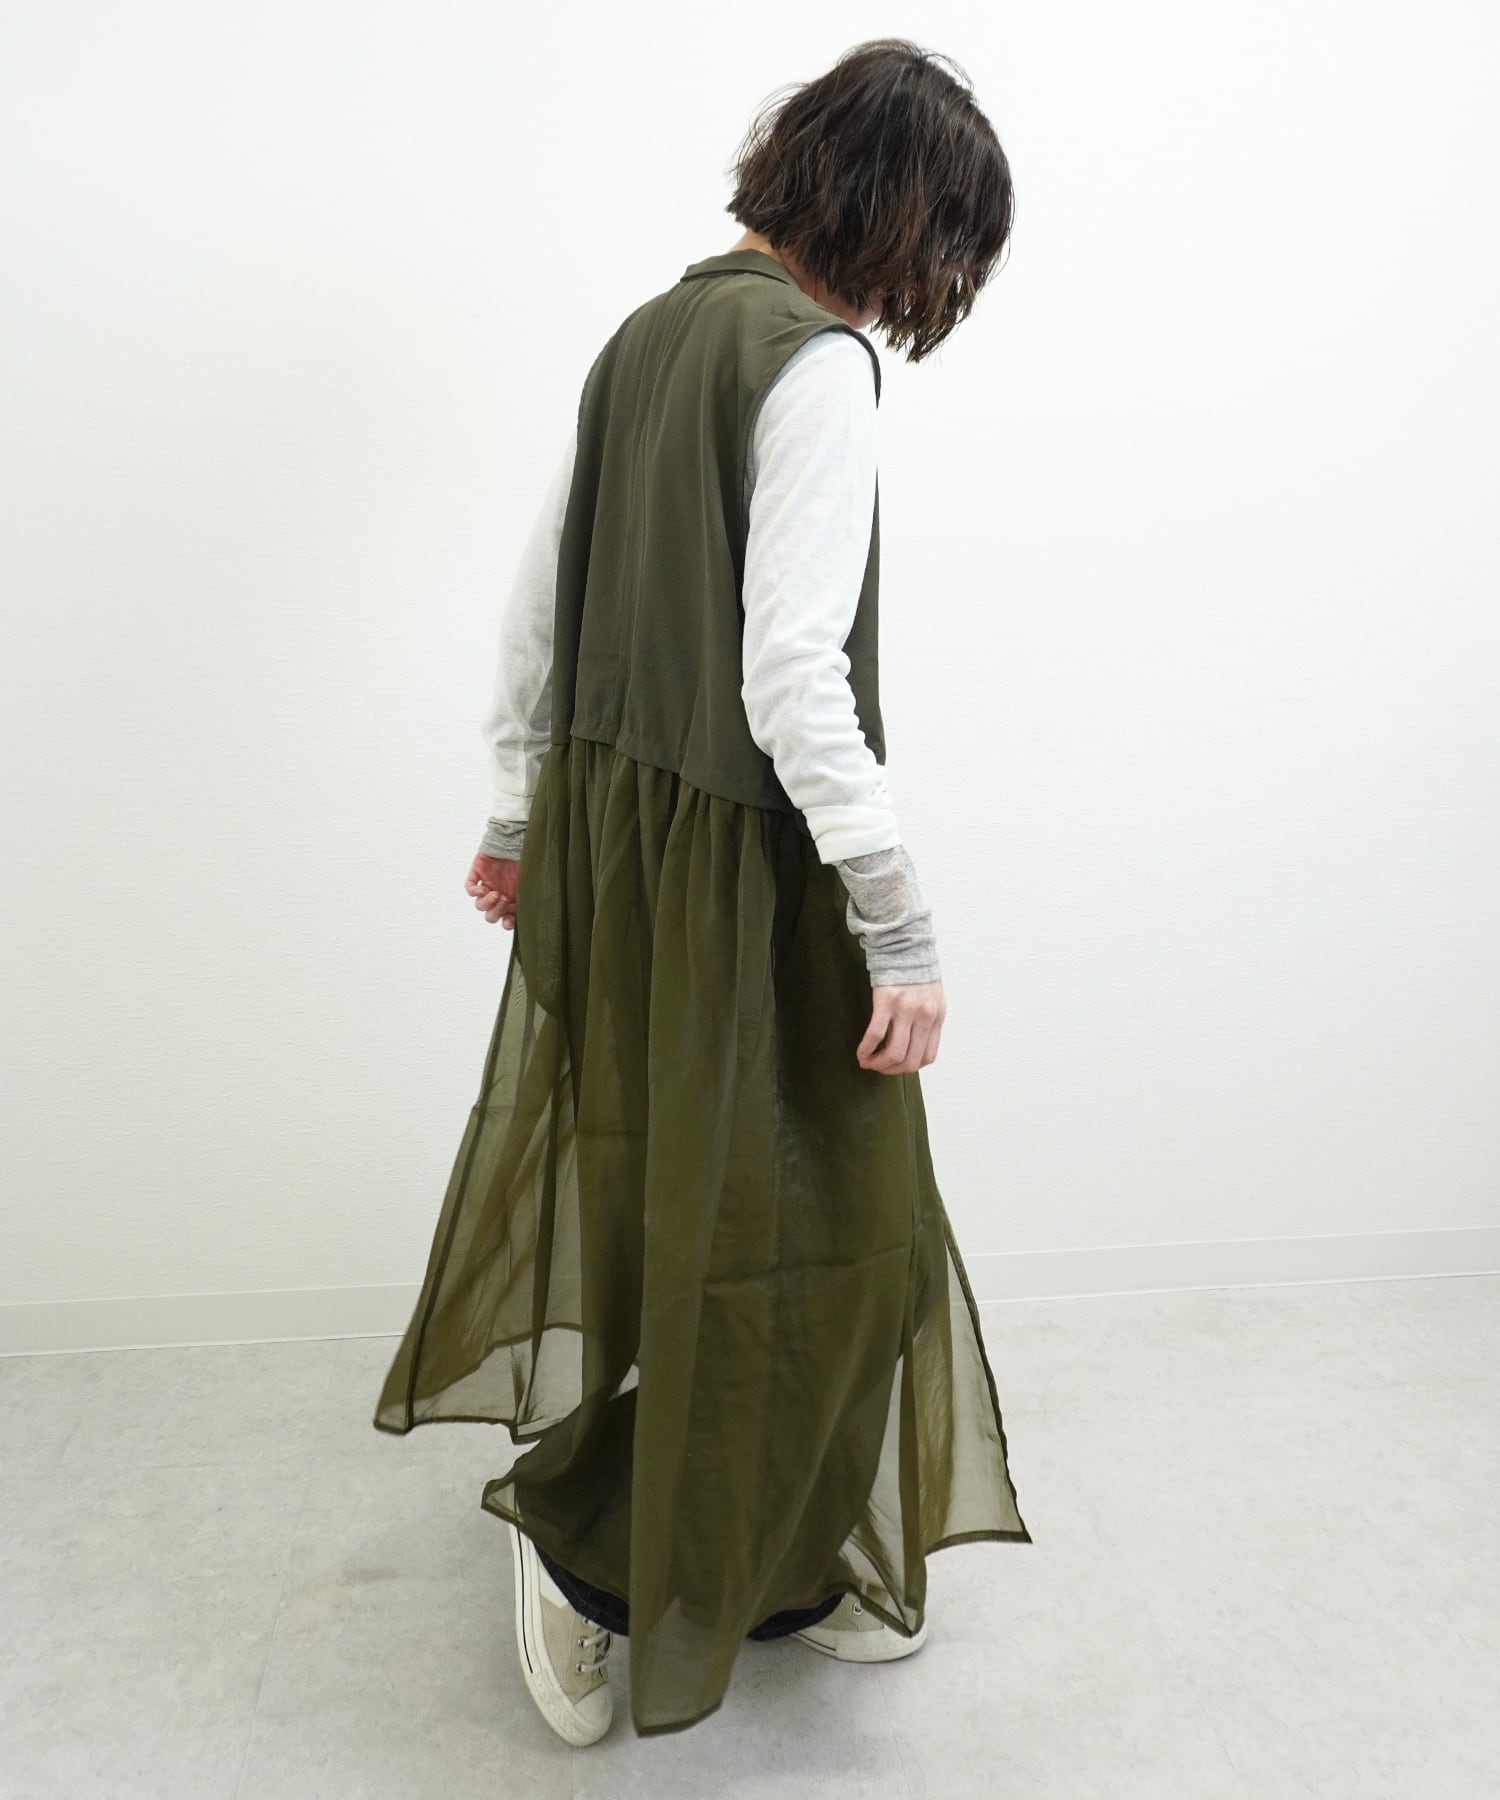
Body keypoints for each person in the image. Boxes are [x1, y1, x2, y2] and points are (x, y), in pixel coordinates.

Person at [374, 36, 1030, 1745]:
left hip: (617, 836)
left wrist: (519, 811)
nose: (925, 297)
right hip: (742, 863)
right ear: (900, 214)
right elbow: (792, 679)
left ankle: (771, 1562)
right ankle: (588, 1562)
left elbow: (540, 597)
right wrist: (898, 923)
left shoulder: (643, 337)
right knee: (830, 1235)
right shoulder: (812, 366)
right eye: (944, 250)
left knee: (700, 1216)